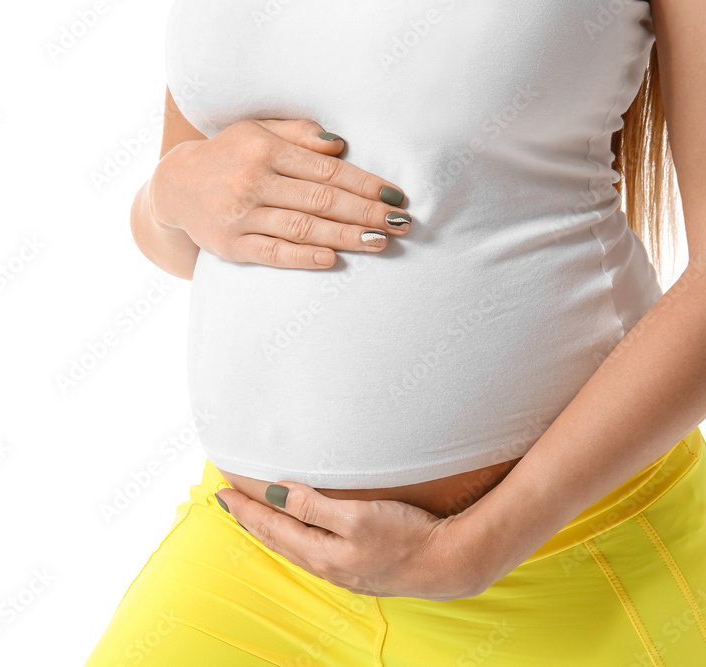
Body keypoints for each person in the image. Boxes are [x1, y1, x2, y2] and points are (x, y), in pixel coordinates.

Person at [86, 0, 706, 664]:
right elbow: (186, 239)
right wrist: (170, 193)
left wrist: (472, 548)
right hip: (256, 559)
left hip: (563, 567)